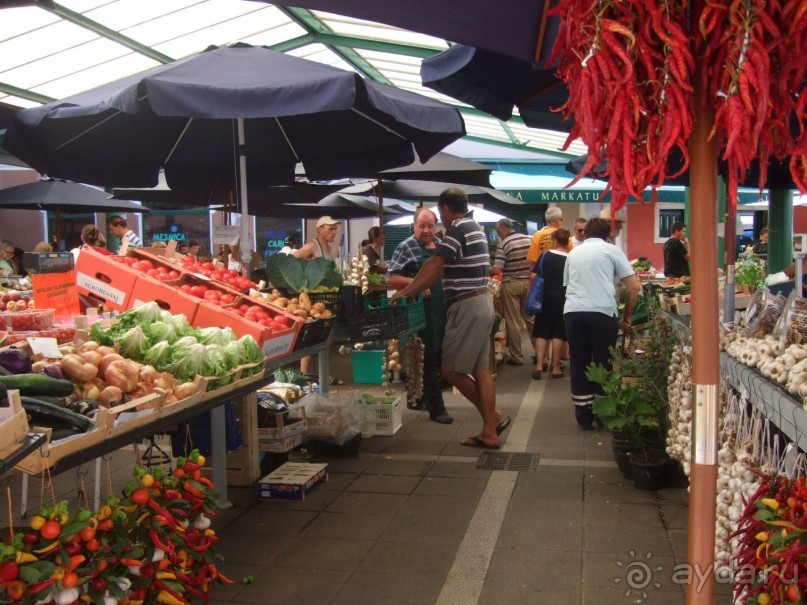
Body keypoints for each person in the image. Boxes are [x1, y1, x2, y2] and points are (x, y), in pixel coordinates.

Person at [392, 188, 510, 449]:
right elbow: (439, 269)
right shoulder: (476, 227)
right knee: (480, 371)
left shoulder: (457, 228)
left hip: (466, 305)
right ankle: (491, 428)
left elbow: (436, 265)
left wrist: (407, 291)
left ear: (445, 209)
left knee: (451, 371)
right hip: (481, 302)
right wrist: (412, 287)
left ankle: (492, 420)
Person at [564, 217, 641, 430]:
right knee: (603, 362)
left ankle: (583, 416)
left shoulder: (572, 253)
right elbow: (634, 287)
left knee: (578, 363)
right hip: (602, 312)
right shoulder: (612, 251)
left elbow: (567, 285)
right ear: (608, 233)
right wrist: (627, 317)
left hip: (574, 313)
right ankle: (603, 414)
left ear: (586, 232)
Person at [386, 208, 452, 424]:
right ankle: (437, 408)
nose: (426, 230)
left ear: (436, 226)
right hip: (419, 312)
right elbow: (391, 279)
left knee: (433, 356)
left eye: (430, 225)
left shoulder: (442, 247)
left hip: (441, 309)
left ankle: (417, 398)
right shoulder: (406, 246)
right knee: (428, 357)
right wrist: (416, 284)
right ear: (414, 226)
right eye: (421, 226)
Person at [295, 216, 342, 384]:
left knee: (325, 340)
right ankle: (304, 376)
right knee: (311, 341)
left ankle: (322, 375)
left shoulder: (327, 248)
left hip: (325, 300)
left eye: (335, 229)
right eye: (330, 229)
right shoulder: (311, 246)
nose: (334, 232)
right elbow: (293, 261)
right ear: (320, 229)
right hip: (313, 299)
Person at [490, 218, 533, 366]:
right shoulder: (528, 240)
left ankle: (517, 356)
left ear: (505, 229)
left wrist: (484, 268)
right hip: (528, 283)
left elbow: (497, 269)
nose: (499, 235)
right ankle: (541, 355)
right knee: (530, 319)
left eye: (499, 232)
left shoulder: (504, 244)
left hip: (511, 284)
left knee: (513, 321)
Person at [530, 229, 571, 380]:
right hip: (563, 296)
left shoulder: (545, 255)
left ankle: (539, 366)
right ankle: (555, 368)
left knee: (542, 331)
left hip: (545, 296)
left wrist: (531, 291)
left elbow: (534, 275)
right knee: (558, 332)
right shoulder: (570, 258)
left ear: (555, 241)